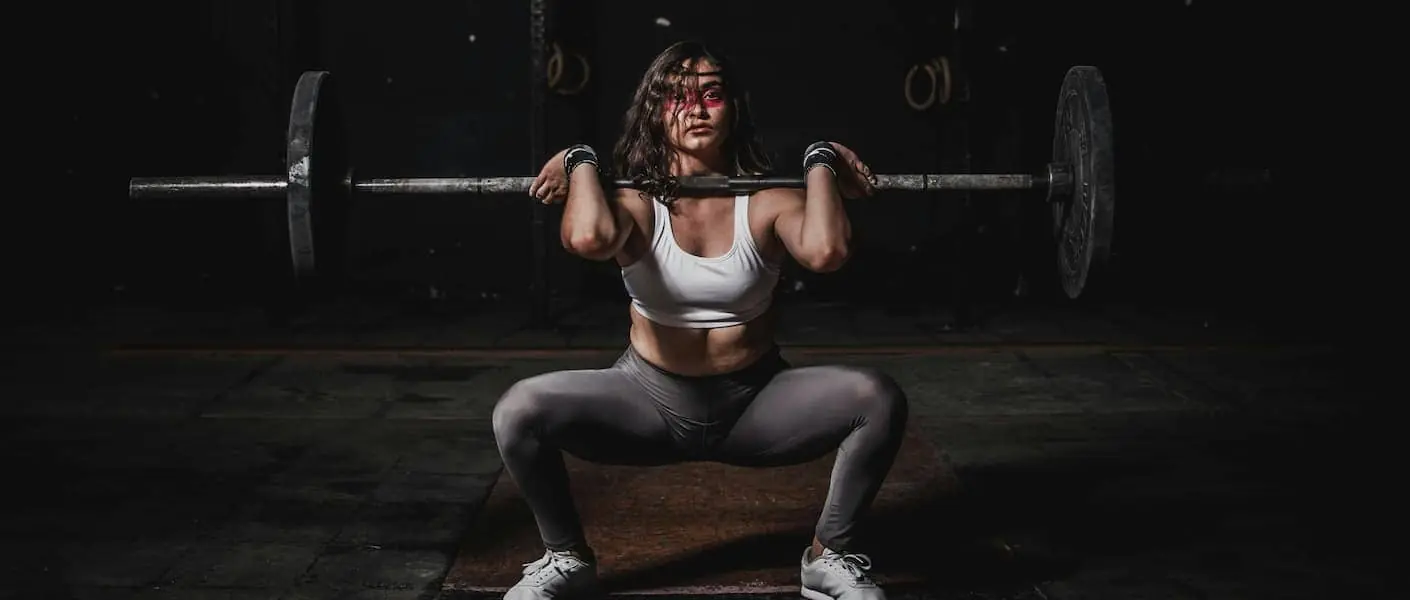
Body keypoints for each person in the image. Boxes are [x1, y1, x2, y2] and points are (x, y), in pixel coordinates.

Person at [493, 40, 910, 600]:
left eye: (711, 94)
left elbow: (827, 252)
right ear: (654, 111)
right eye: (675, 97)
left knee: (876, 397)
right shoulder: (637, 202)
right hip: (645, 404)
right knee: (519, 409)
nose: (694, 108)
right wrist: (581, 159)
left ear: (733, 108)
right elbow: (589, 237)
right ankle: (567, 556)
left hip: (755, 404)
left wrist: (820, 160)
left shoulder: (766, 201)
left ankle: (827, 555)